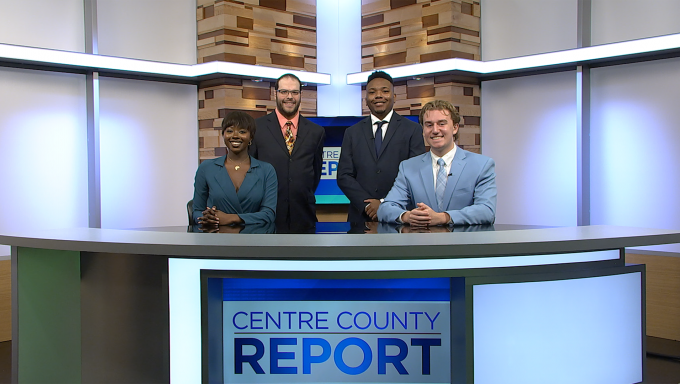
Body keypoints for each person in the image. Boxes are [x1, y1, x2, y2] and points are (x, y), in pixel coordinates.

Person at [377, 100, 496, 226]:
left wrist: (444, 217)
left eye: (441, 124)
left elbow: (487, 211)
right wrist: (408, 216)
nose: (435, 130)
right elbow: (385, 209)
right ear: (423, 130)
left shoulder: (482, 165)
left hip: (464, 243)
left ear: (455, 127)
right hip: (424, 243)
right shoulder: (408, 167)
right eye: (429, 125)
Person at [338, 71, 426, 223]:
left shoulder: (412, 129)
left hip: (399, 215)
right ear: (366, 99)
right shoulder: (352, 132)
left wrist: (384, 203)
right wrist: (367, 204)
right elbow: (344, 176)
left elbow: (415, 175)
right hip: (360, 216)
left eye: (385, 91)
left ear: (394, 97)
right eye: (372, 92)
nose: (378, 95)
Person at [250, 73, 325, 232]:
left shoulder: (316, 132)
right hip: (266, 216)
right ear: (275, 94)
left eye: (294, 92)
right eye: (284, 92)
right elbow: (251, 171)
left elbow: (315, 174)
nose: (289, 97)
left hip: (304, 217)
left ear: (300, 95)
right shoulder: (257, 128)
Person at [192, 111, 277, 226]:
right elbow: (196, 211)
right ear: (223, 135)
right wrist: (207, 218)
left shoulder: (266, 170)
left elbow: (269, 214)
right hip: (216, 239)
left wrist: (230, 218)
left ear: (251, 136)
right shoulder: (206, 168)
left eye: (242, 131)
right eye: (230, 131)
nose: (235, 135)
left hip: (254, 239)